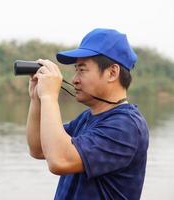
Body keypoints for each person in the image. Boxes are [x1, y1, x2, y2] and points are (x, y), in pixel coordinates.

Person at [26, 28, 149, 200]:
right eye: (76, 69)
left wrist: (49, 96)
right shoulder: (88, 117)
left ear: (112, 72)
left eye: (82, 70)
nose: (75, 79)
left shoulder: (126, 126)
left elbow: (59, 160)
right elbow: (39, 149)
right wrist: (36, 99)